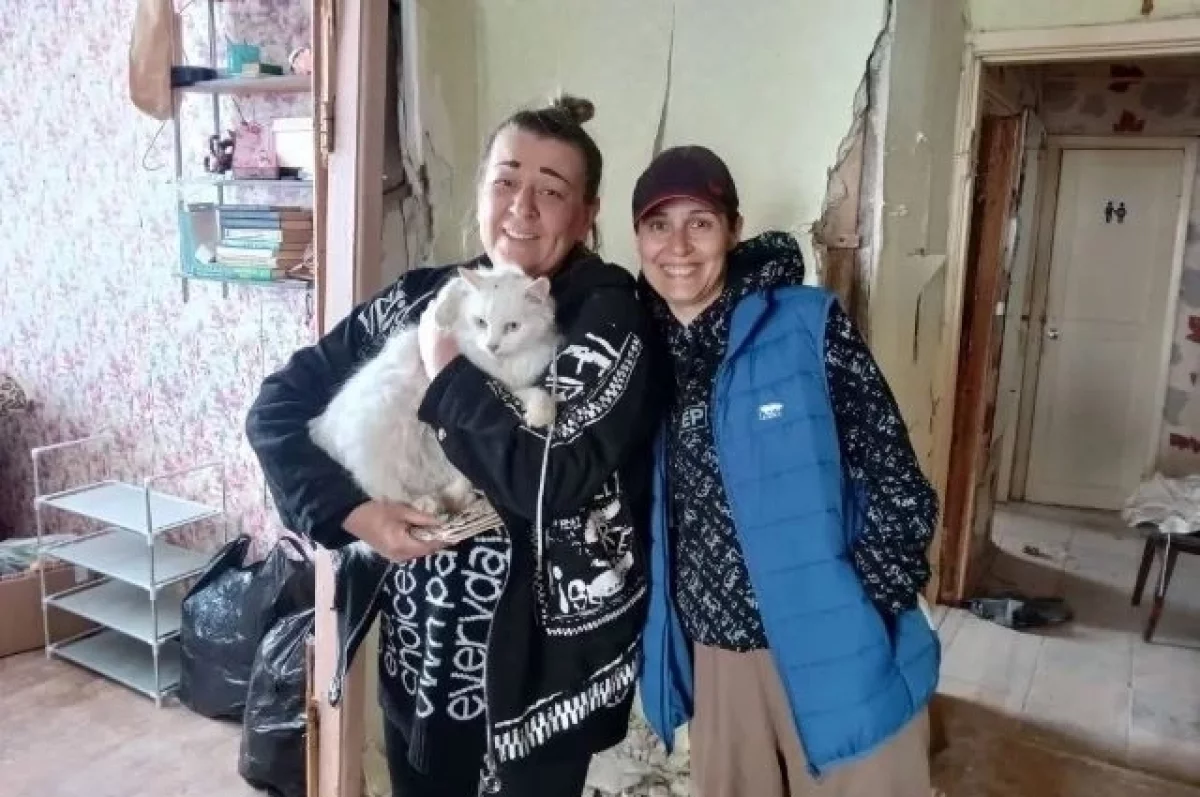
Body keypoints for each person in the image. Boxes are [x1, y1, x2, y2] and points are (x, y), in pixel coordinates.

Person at [245, 95, 662, 797]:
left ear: (587, 214)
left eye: (551, 190)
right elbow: (276, 410)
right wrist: (352, 512)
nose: (522, 207)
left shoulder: (609, 318)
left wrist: (445, 368)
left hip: (539, 687)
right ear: (480, 193)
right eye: (506, 181)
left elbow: (549, 480)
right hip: (419, 668)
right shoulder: (424, 297)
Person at [633, 145, 941, 797]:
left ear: (733, 230)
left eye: (700, 222)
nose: (678, 246)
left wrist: (869, 603)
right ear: (638, 238)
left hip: (834, 636)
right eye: (659, 224)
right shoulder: (640, 354)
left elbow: (896, 475)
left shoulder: (806, 323)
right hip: (720, 656)